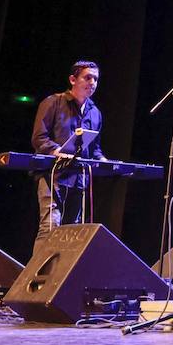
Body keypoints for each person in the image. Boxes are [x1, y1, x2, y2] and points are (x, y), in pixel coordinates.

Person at [31, 61, 104, 243]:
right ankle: (38, 272)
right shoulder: (53, 103)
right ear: (73, 79)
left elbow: (94, 148)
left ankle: (63, 272)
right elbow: (39, 138)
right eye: (87, 77)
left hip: (79, 179)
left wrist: (103, 159)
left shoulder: (95, 112)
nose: (92, 83)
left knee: (71, 235)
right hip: (53, 175)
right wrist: (56, 150)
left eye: (95, 79)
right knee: (50, 228)